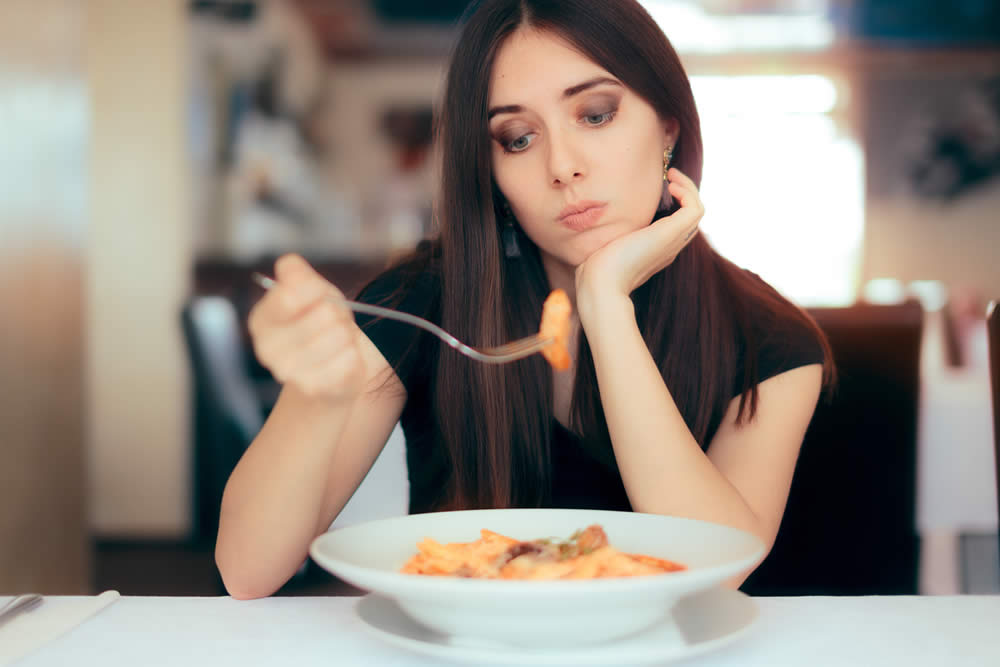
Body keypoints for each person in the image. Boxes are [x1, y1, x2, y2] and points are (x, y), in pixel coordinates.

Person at [215, 0, 834, 600]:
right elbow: (247, 571)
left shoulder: (772, 339)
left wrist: (605, 303)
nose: (562, 166)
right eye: (516, 138)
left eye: (595, 115)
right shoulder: (421, 301)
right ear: (490, 171)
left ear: (668, 127)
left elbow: (717, 565)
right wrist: (318, 395)